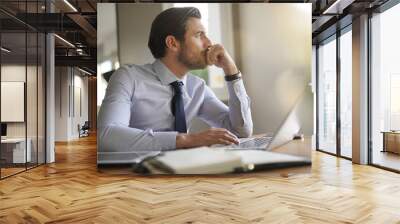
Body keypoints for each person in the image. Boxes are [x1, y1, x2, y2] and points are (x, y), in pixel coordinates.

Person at [98, 7, 253, 163]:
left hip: (184, 173)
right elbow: (106, 136)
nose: (209, 43)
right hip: (134, 177)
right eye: (199, 35)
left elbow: (240, 131)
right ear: (172, 43)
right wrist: (186, 140)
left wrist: (231, 70)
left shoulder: (197, 87)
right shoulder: (128, 77)